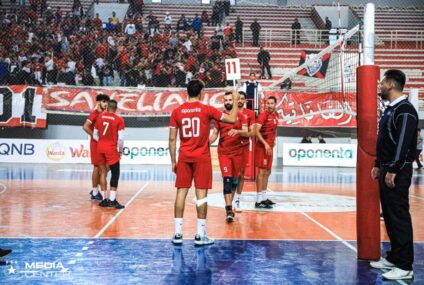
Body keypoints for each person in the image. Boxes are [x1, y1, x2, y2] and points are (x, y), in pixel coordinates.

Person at [169, 80, 239, 246]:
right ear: (200, 93)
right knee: (201, 196)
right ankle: (200, 235)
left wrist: (173, 161)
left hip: (184, 157)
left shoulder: (177, 112)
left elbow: (172, 139)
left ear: (187, 92)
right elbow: (232, 118)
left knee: (181, 193)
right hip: (202, 158)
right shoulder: (207, 109)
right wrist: (235, 100)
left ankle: (178, 233)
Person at [370, 70, 417, 281]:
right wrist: (378, 164)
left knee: (398, 217)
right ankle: (394, 257)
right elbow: (386, 142)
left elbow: (403, 143)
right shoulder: (391, 109)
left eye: (382, 83)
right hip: (388, 167)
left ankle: (405, 265)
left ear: (390, 84)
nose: (380, 86)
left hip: (397, 170)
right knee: (388, 215)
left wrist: (394, 169)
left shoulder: (405, 110)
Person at [209, 92, 247, 222]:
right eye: (225, 100)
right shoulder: (220, 117)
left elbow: (247, 133)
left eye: (230, 99)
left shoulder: (241, 116)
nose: (227, 102)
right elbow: (215, 134)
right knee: (227, 180)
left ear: (234, 101)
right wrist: (206, 142)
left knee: (235, 181)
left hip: (238, 153)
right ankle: (229, 209)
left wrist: (238, 131)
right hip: (224, 153)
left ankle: (231, 203)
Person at [93, 99, 125, 209]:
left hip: (100, 147)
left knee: (103, 173)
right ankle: (112, 200)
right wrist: (120, 150)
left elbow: (94, 135)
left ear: (107, 107)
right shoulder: (119, 119)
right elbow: (121, 139)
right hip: (111, 149)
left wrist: (101, 141)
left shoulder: (100, 117)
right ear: (116, 108)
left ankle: (104, 199)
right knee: (115, 173)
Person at [83, 94, 110, 201]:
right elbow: (85, 127)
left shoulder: (105, 114)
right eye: (104, 101)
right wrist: (96, 138)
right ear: (98, 102)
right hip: (96, 144)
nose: (106, 103)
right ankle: (95, 192)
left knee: (105, 168)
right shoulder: (94, 114)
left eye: (107, 101)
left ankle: (95, 188)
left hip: (104, 144)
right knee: (97, 167)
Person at [255, 96, 279, 209]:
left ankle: (264, 198)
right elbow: (256, 131)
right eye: (268, 103)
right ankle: (258, 200)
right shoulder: (263, 115)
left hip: (270, 148)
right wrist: (265, 143)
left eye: (271, 103)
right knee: (261, 172)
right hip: (262, 148)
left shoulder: (276, 115)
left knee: (268, 172)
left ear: (275, 104)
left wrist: (274, 140)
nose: (269, 105)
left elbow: (275, 129)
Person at [234, 91, 256, 212]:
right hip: (232, 146)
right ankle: (230, 198)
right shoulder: (231, 113)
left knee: (241, 173)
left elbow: (252, 133)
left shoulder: (250, 114)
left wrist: (239, 132)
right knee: (233, 174)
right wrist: (244, 131)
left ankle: (237, 199)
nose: (240, 101)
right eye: (238, 99)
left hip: (244, 146)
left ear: (245, 101)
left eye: (242, 99)